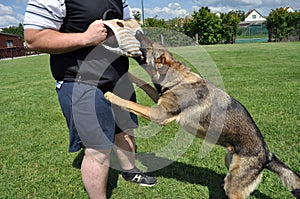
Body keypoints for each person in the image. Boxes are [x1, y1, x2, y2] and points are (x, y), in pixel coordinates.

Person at [23, 0, 156, 198]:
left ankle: (130, 171)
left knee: (125, 131)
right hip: (80, 80)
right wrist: (86, 38)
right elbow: (33, 39)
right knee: (98, 147)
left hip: (117, 77)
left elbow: (132, 26)